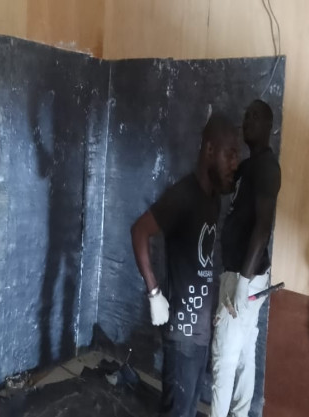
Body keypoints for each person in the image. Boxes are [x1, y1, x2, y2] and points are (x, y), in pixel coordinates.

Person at [131, 114, 239, 417]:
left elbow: (200, 260)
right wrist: (154, 293)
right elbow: (139, 231)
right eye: (230, 154)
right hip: (181, 336)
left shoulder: (213, 200)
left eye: (237, 157)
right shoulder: (183, 195)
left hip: (200, 334)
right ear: (209, 150)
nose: (235, 164)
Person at [211, 99, 281, 417]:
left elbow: (263, 228)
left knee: (224, 358)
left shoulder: (267, 167)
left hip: (245, 276)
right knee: (242, 356)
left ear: (269, 126)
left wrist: (242, 281)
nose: (248, 120)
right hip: (245, 274)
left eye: (255, 116)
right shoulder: (250, 167)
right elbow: (227, 189)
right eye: (246, 115)